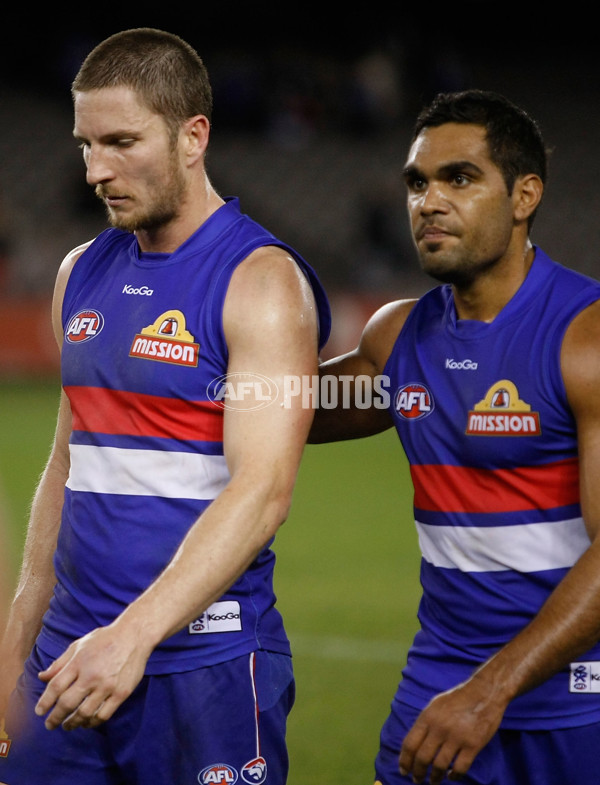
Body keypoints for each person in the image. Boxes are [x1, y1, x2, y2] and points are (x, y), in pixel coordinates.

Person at [0, 28, 330, 785]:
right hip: (67, 661)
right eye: (86, 144)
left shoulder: (262, 283)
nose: (95, 169)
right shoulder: (78, 273)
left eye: (121, 141)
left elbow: (263, 492)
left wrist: (134, 635)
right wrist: (19, 632)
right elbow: (68, 460)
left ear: (193, 136)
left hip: (205, 667)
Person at [310, 89, 600, 785]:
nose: (428, 201)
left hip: (577, 700)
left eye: (459, 178)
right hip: (439, 685)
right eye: (417, 182)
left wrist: (490, 689)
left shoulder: (584, 339)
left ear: (524, 195)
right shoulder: (399, 339)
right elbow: (277, 406)